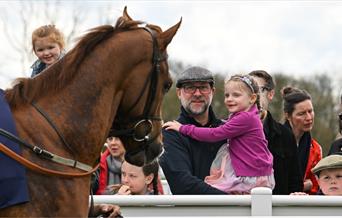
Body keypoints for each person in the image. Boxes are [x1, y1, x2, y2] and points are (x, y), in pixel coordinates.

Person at [164, 74, 274, 194]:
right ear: (179, 93)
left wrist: (183, 128)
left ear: (252, 98)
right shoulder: (245, 116)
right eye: (227, 95)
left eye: (236, 95)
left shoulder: (245, 118)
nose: (229, 99)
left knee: (229, 191)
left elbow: (214, 134)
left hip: (250, 174)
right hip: (253, 172)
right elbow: (181, 182)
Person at [159, 66, 227, 194]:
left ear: (212, 91)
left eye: (203, 88)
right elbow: (182, 185)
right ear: (179, 93)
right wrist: (230, 200)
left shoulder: (227, 130)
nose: (197, 93)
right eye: (190, 88)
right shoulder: (170, 133)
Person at [249, 70, 303, 194]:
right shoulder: (230, 131)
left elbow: (295, 182)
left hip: (277, 210)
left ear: (271, 94)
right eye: (249, 89)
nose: (254, 94)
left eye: (259, 89)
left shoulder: (285, 135)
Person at [281, 86, 322, 194]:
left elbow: (318, 183)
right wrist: (304, 185)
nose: (309, 117)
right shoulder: (273, 142)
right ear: (288, 115)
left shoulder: (315, 148)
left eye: (310, 111)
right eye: (301, 113)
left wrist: (309, 185)